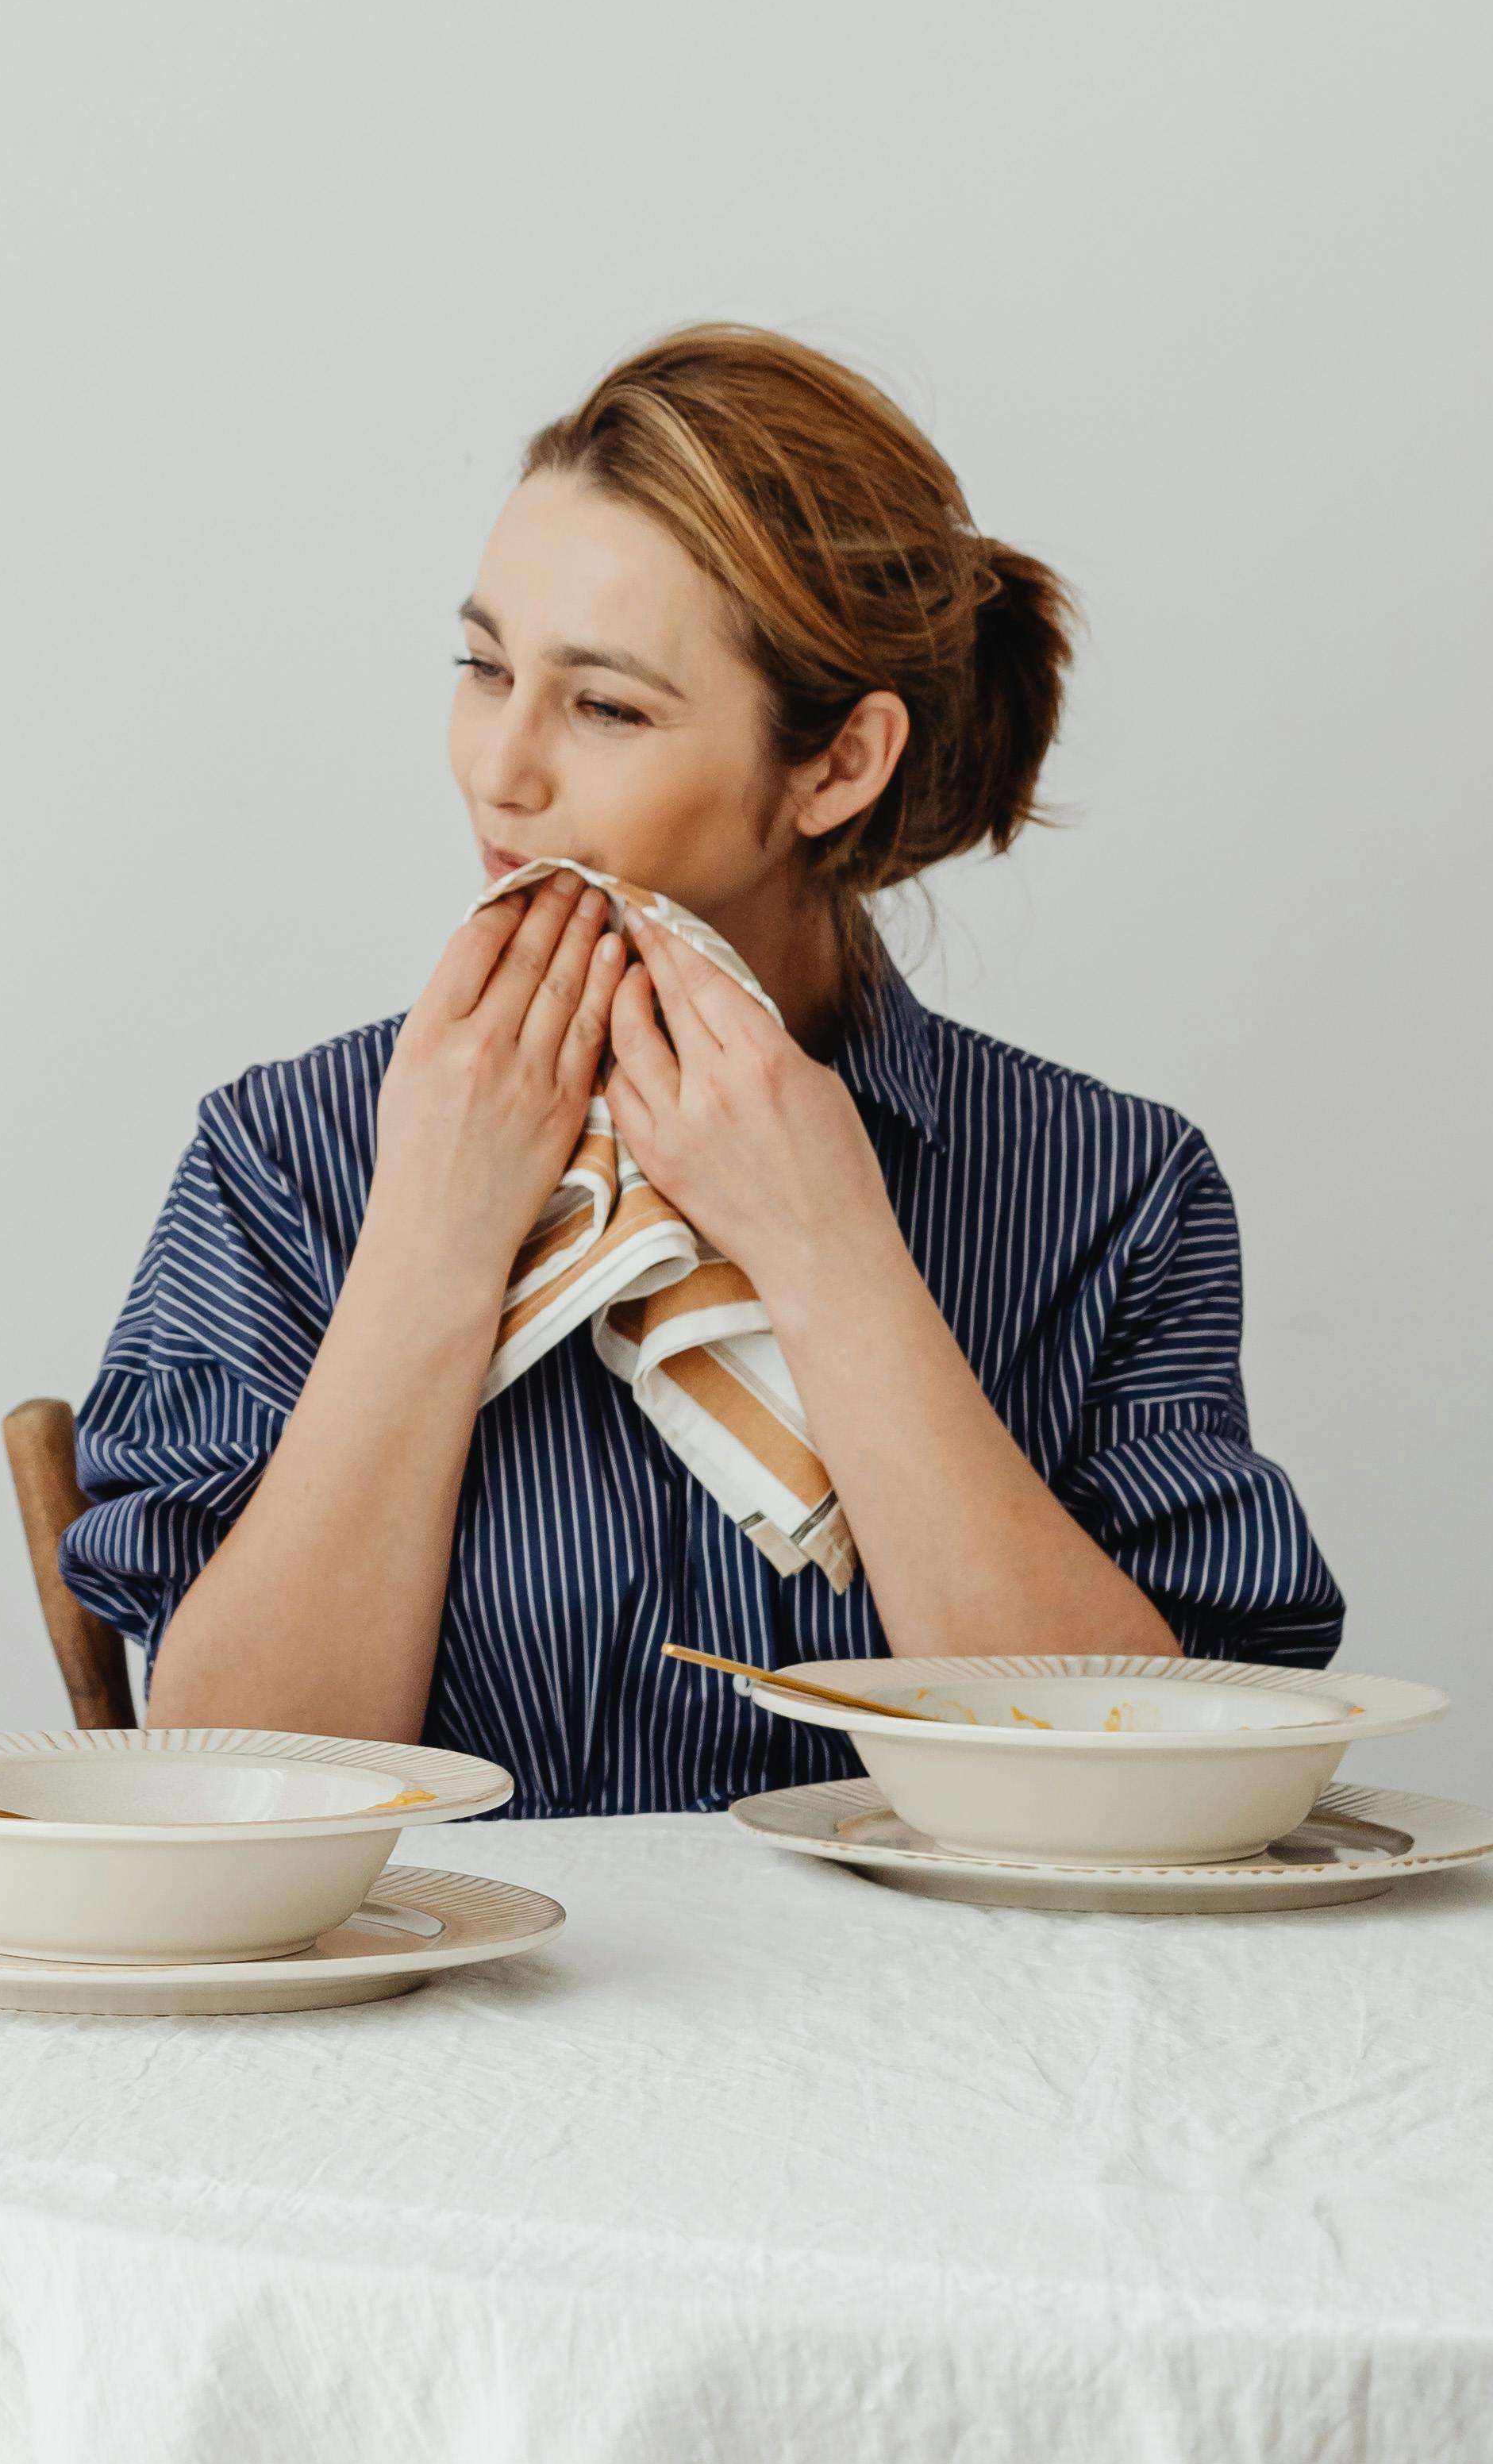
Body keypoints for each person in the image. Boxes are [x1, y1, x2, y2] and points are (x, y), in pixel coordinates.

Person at [67, 329, 1341, 1804]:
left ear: (837, 765)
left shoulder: (1110, 1190)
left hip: (960, 2027)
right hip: (451, 2027)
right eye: (484, 669)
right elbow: (230, 1795)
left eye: (604, 706)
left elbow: (1148, 1796)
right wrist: (429, 1240)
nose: (501, 769)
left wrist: (831, 1258)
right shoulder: (288, 1156)